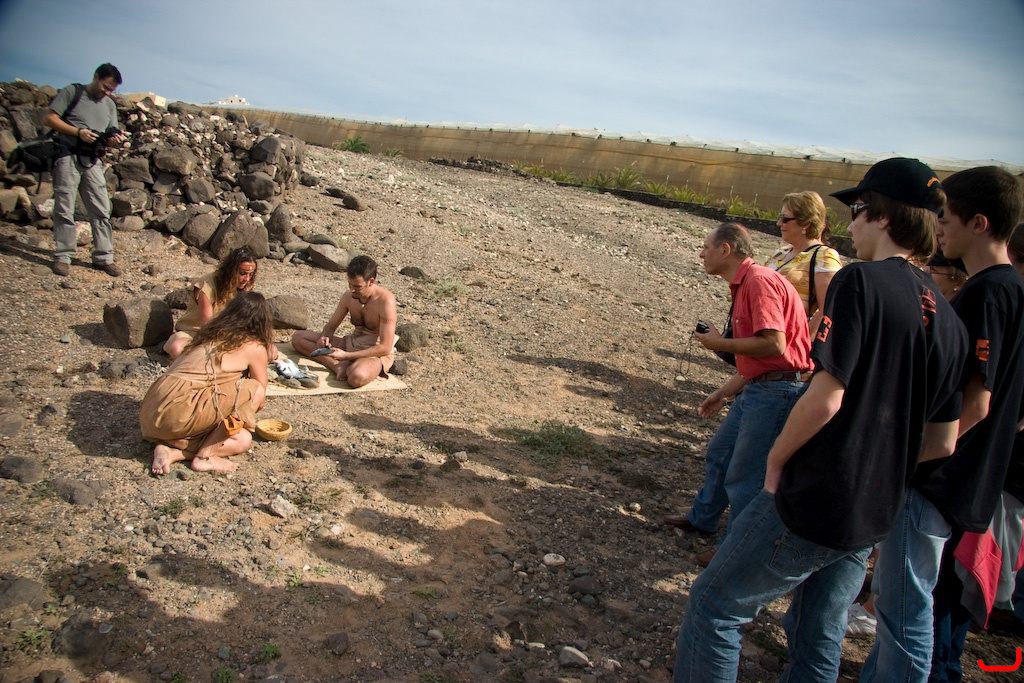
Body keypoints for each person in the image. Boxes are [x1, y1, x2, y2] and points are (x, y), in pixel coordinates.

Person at [673, 158, 967, 683]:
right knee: (817, 631)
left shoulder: (861, 281)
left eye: (857, 210)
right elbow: (944, 440)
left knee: (715, 606)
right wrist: (881, 465)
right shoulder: (949, 318)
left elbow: (826, 397)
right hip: (876, 509)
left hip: (820, 493)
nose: (850, 225)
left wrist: (777, 461)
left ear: (883, 216)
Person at [889, 166, 1024, 683]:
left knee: (911, 605)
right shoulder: (1013, 290)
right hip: (973, 478)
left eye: (945, 218)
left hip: (942, 478)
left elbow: (978, 402)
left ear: (979, 223)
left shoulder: (987, 294)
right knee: (931, 601)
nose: (939, 228)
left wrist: (913, 457)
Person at [663, 222, 812, 568]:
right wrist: (723, 392)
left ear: (726, 250)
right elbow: (765, 359)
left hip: (776, 392)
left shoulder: (759, 282)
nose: (701, 254)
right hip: (762, 387)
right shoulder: (748, 282)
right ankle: (703, 517)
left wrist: (719, 343)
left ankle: (735, 549)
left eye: (706, 247)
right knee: (721, 452)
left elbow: (775, 344)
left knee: (747, 475)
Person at [140, 291, 274, 475]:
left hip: (151, 413)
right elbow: (260, 397)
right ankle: (205, 457)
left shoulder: (208, 335)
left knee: (242, 439)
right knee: (254, 390)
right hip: (177, 413)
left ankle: (172, 451)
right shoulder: (253, 346)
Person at [44, 63, 124, 277]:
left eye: (111, 90)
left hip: (93, 159)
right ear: (96, 76)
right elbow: (49, 118)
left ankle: (104, 257)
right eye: (105, 87)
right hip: (67, 155)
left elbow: (111, 133)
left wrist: (113, 140)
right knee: (64, 206)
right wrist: (78, 132)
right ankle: (63, 256)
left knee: (101, 208)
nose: (106, 92)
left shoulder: (109, 104)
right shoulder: (73, 92)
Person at [291, 255, 397, 388]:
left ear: (371, 281)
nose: (352, 289)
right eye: (350, 284)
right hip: (350, 343)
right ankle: (337, 366)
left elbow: (385, 348)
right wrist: (325, 337)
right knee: (298, 338)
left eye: (357, 286)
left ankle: (348, 365)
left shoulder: (386, 301)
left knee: (356, 377)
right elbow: (331, 326)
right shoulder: (349, 296)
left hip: (374, 353)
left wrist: (347, 355)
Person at [765, 191, 844, 334]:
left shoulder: (824, 256)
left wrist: (802, 340)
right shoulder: (782, 252)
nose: (779, 223)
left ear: (806, 223)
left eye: (785, 219)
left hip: (791, 338)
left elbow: (828, 308)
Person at [163, 247, 262, 360]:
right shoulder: (207, 285)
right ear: (231, 270)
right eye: (243, 273)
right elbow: (207, 324)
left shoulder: (245, 285)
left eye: (250, 274)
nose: (247, 279)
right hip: (195, 332)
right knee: (177, 348)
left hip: (228, 334)